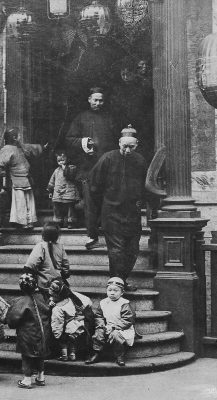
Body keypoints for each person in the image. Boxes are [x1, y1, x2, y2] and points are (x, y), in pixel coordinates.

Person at [64, 87, 121, 249]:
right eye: (95, 100)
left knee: (110, 200)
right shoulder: (81, 118)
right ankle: (92, 235)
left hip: (108, 167)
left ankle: (112, 235)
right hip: (87, 168)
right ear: (89, 99)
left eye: (100, 100)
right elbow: (69, 139)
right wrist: (83, 142)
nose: (98, 103)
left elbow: (118, 140)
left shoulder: (110, 118)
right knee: (90, 202)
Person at [89, 136, 147, 291]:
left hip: (132, 213)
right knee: (117, 251)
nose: (128, 150)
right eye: (125, 146)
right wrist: (105, 204)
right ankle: (117, 284)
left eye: (131, 147)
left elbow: (146, 184)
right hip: (112, 213)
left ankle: (121, 280)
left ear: (137, 145)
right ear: (119, 143)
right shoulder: (107, 158)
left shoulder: (140, 160)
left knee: (132, 250)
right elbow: (94, 185)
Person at [0, 127, 43, 229]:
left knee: (28, 202)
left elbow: (30, 149)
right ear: (14, 138)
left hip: (26, 179)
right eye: (19, 135)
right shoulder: (7, 149)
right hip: (16, 181)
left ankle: (29, 221)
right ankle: (23, 222)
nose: (21, 137)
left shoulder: (19, 147)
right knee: (20, 202)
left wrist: (42, 147)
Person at [7, 273, 51, 389]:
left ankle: (27, 380)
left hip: (28, 336)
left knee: (27, 357)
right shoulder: (42, 298)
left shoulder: (21, 302)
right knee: (40, 355)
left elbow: (12, 320)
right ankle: (41, 377)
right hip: (43, 333)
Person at [85, 277, 136, 367]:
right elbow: (99, 316)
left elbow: (127, 320)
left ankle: (119, 356)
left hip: (122, 328)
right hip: (108, 326)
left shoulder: (124, 303)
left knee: (116, 335)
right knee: (99, 332)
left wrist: (114, 328)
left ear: (122, 292)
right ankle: (97, 353)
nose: (112, 293)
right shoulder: (103, 302)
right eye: (109, 290)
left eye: (116, 290)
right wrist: (102, 325)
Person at [48, 278, 93, 362]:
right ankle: (68, 354)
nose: (52, 297)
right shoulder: (56, 303)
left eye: (54, 295)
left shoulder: (76, 298)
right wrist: (51, 302)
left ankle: (85, 353)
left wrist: (83, 316)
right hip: (67, 322)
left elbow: (88, 309)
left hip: (78, 320)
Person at [23, 222, 70, 292]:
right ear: (57, 236)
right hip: (57, 285)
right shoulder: (60, 247)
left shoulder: (40, 246)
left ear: (43, 234)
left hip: (43, 286)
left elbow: (30, 266)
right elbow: (66, 267)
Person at [47, 151, 80, 228]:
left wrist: (65, 168)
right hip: (58, 191)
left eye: (63, 160)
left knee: (70, 208)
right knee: (57, 207)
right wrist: (50, 190)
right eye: (59, 161)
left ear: (67, 159)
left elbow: (71, 175)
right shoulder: (56, 170)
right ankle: (59, 221)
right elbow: (52, 180)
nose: (61, 162)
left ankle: (70, 221)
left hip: (69, 190)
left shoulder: (72, 167)